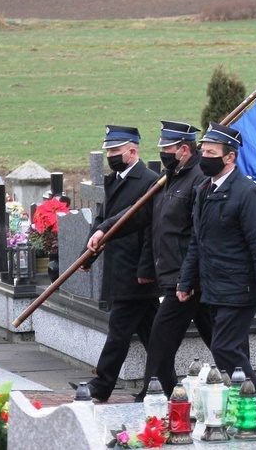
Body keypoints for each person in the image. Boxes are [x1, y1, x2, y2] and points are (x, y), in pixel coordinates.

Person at [86, 121, 212, 400]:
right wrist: (102, 231)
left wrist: (152, 270)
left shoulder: (181, 180)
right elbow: (138, 215)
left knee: (162, 339)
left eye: (168, 148)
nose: (164, 153)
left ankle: (138, 390)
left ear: (184, 149)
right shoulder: (168, 179)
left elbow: (188, 234)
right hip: (170, 275)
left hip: (179, 276)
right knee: (164, 338)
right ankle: (161, 392)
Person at [176, 122, 256, 400]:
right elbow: (197, 241)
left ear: (230, 157)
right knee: (234, 349)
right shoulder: (204, 190)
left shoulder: (247, 193)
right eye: (203, 151)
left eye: (211, 152)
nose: (204, 157)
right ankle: (241, 403)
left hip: (239, 287)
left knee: (223, 347)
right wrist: (186, 281)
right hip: (214, 287)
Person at [71, 125, 160, 401]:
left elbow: (150, 231)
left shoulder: (149, 181)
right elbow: (102, 220)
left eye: (116, 151)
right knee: (155, 336)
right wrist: (90, 255)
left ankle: (102, 384)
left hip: (135, 271)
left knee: (119, 331)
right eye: (109, 150)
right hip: (117, 265)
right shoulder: (115, 180)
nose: (110, 155)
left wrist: (146, 269)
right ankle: (161, 384)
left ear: (132, 151)